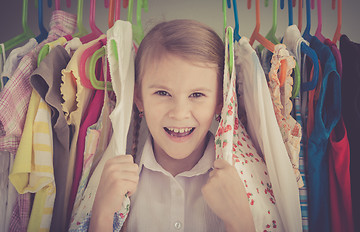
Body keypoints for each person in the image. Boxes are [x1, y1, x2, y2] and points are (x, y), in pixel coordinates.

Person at [89, 19, 255, 232]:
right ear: (138, 97)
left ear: (220, 102)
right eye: (163, 93)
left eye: (197, 94)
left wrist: (241, 222)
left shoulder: (243, 183)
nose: (179, 113)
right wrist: (102, 215)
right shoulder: (113, 182)